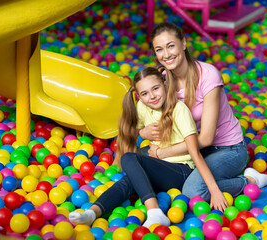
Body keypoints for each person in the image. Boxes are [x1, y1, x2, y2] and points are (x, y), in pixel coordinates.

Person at [138, 22, 267, 209]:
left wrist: (163, 153)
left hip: (226, 149)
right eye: (159, 49)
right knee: (139, 159)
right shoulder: (161, 78)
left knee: (191, 192)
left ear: (184, 44)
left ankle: (250, 180)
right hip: (192, 151)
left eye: (171, 46)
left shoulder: (208, 75)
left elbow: (205, 138)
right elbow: (143, 108)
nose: (166, 54)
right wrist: (143, 132)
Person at [69, 67, 226, 227]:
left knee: (130, 158)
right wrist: (142, 132)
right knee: (129, 179)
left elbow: (194, 150)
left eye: (155, 89)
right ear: (139, 97)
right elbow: (129, 132)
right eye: (144, 94)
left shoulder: (179, 110)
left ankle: (154, 212)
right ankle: (92, 213)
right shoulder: (143, 108)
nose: (152, 96)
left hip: (181, 170)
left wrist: (214, 189)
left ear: (164, 84)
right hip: (158, 165)